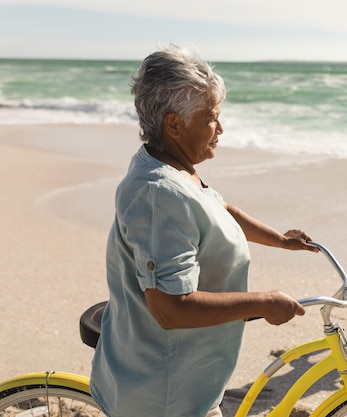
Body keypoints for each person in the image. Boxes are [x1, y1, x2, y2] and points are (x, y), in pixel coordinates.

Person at [90, 45, 318, 417]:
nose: (221, 128)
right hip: (164, 394)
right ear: (174, 124)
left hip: (191, 378)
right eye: (211, 117)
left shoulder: (173, 167)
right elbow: (170, 309)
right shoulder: (158, 193)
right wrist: (264, 302)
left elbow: (217, 207)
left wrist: (281, 241)